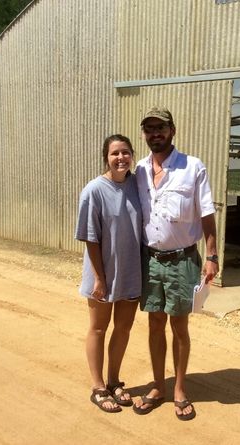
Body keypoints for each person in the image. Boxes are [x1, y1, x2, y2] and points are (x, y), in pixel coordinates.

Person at [132, 107, 219, 421]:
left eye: (161, 127)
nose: (155, 133)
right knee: (155, 324)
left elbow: (206, 213)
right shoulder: (139, 170)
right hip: (150, 260)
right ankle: (158, 386)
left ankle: (179, 389)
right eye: (150, 128)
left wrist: (212, 256)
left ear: (172, 130)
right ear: (145, 134)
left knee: (179, 327)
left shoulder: (192, 167)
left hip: (182, 260)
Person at [75, 134, 142, 413]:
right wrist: (100, 278)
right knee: (98, 328)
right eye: (115, 153)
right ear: (106, 157)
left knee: (123, 328)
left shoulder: (138, 185)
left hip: (131, 270)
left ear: (132, 155)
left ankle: (114, 381)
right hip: (102, 272)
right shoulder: (94, 190)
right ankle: (98, 386)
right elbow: (90, 237)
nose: (120, 158)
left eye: (125, 152)